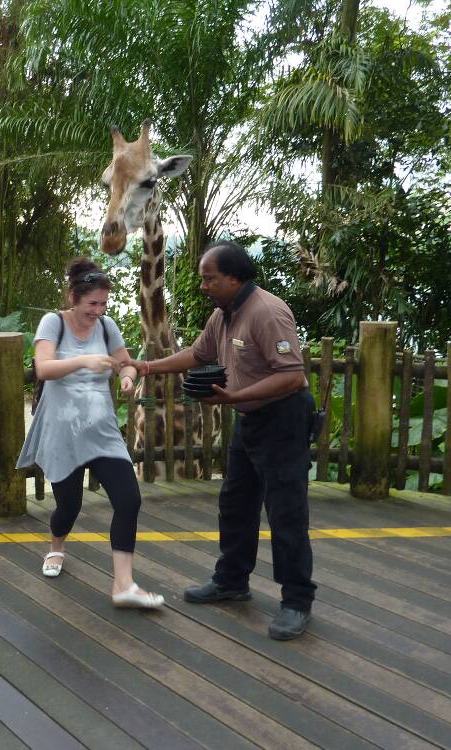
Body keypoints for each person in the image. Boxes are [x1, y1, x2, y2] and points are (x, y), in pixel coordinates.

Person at [127, 241, 316, 639]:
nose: (203, 286)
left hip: (283, 419)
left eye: (209, 279)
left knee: (285, 512)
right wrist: (147, 366)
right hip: (249, 419)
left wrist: (233, 397)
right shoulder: (223, 314)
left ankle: (297, 601)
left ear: (234, 278)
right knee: (235, 503)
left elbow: (292, 376)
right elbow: (198, 355)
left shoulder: (267, 312)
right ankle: (232, 580)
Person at [16, 258, 164, 609]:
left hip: (102, 430)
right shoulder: (53, 323)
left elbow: (125, 363)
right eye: (92, 304)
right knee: (69, 506)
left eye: (103, 304)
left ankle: (124, 585)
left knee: (129, 499)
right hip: (62, 431)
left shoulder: (107, 326)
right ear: (73, 298)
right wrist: (84, 361)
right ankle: (56, 546)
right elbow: (43, 368)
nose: (98, 311)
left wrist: (127, 377)